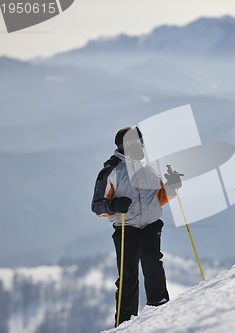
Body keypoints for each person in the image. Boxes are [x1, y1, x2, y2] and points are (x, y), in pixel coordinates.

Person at [91, 126, 182, 327]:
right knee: (128, 274)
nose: (142, 145)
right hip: (126, 228)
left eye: (142, 141)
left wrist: (171, 187)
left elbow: (158, 198)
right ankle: (125, 322)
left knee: (152, 261)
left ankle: (159, 306)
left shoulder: (147, 169)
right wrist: (113, 205)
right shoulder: (111, 171)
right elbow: (97, 206)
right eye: (137, 142)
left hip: (151, 224)